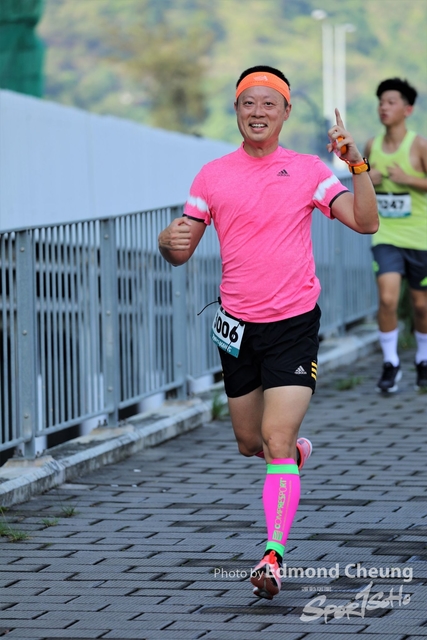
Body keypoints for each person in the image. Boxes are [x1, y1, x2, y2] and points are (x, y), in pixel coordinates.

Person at [158, 65, 378, 600]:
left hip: (294, 323)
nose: (258, 113)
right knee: (250, 442)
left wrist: (357, 165)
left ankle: (273, 555)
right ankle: (292, 457)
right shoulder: (212, 176)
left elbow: (366, 222)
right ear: (237, 110)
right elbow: (180, 251)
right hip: (236, 325)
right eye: (248, 103)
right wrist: (166, 243)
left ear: (285, 112)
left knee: (275, 439)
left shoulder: (307, 170)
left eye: (269, 104)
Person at [364, 78, 427, 393]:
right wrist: (367, 177)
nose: (384, 107)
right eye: (381, 102)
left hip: (420, 238)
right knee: (387, 298)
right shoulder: (371, 146)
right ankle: (391, 363)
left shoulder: (419, 146)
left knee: (421, 306)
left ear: (408, 109)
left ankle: (423, 358)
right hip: (385, 235)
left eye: (391, 102)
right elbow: (361, 185)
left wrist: (408, 179)